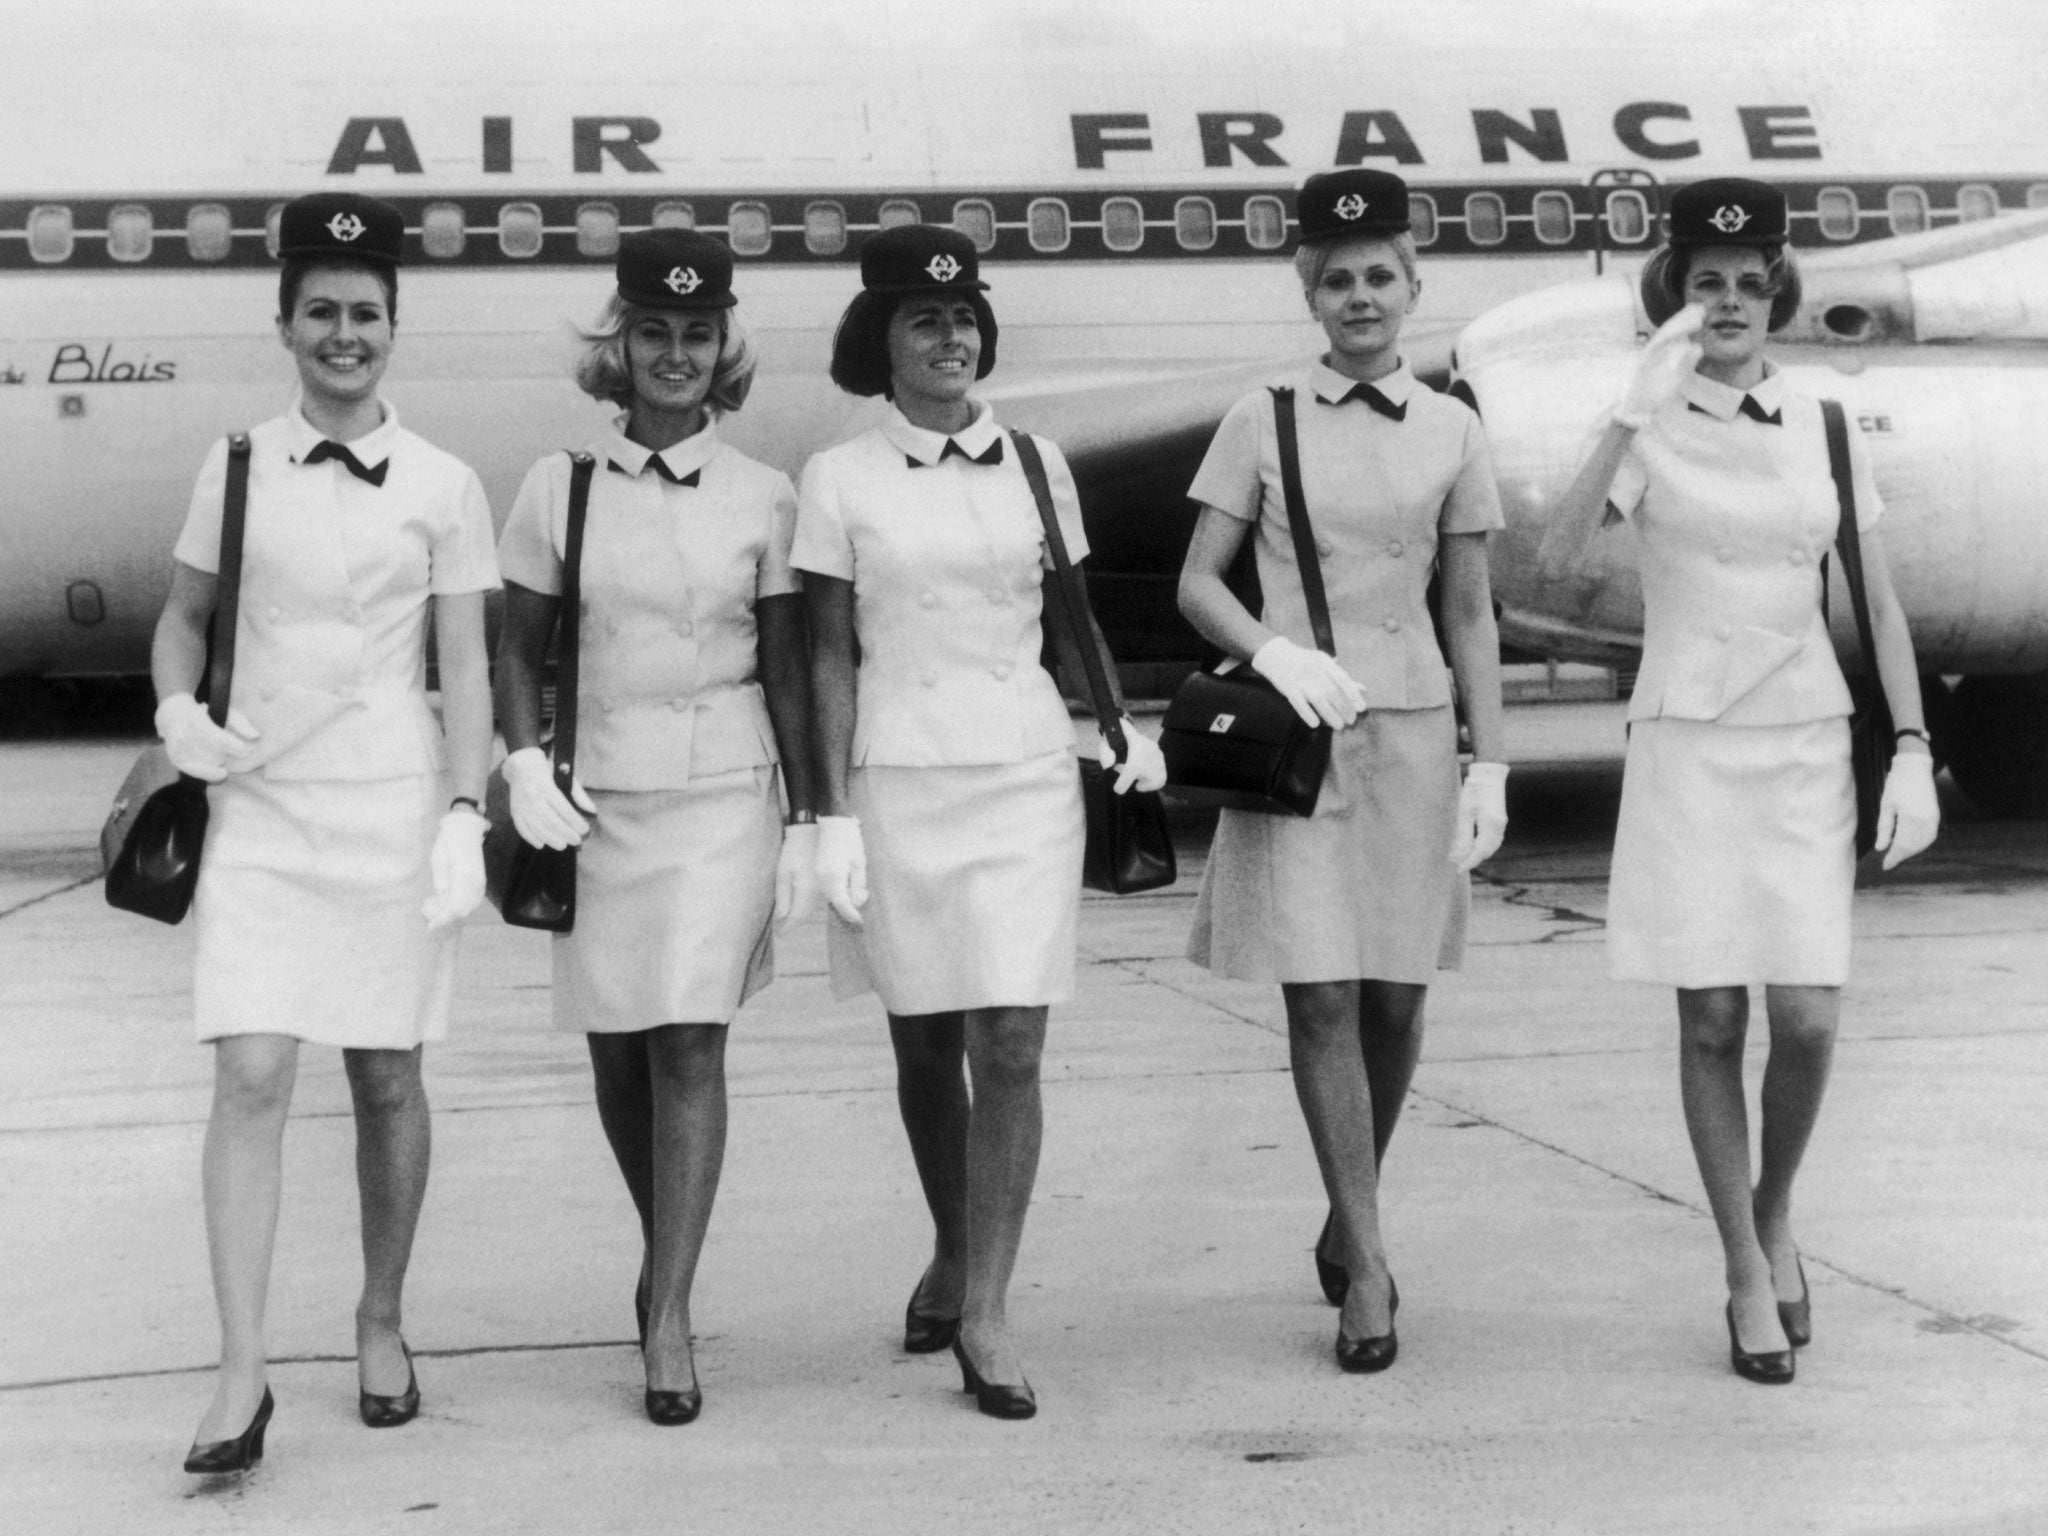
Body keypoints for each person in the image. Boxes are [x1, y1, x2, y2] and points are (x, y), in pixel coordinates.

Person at [1536, 177, 1940, 1384]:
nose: (1725, 302)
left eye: (1745, 285)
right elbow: (1553, 559)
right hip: (1688, 744)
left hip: (1803, 738)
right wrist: (1621, 412)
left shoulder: (1819, 423)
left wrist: (1914, 744)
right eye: (1701, 284)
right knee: (1711, 1016)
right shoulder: (1645, 426)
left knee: (1807, 1017)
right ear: (1671, 300)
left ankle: (1775, 1209)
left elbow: (1872, 591)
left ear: (1775, 299)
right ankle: (1740, 1265)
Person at [796, 224, 1166, 1420]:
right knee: (921, 1039)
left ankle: (990, 1304)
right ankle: (951, 1246)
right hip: (899, 774)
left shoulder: (1037, 463)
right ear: (881, 344)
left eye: (962, 318)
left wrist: (1117, 727)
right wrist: (829, 812)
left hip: (1018, 772)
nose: (949, 337)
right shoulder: (837, 478)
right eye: (922, 320)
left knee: (1008, 1040)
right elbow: (826, 657)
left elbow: (1068, 616)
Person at [153, 193, 498, 1471]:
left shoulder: (446, 484)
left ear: (392, 328)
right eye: (321, 313)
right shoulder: (234, 462)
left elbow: (466, 667)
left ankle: (381, 1316)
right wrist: (177, 708)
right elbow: (183, 614)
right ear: (285, 323)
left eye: (364, 314)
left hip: (390, 811)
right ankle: (240, 1374)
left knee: (387, 1076)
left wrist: (467, 812)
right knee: (249, 1073)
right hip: (264, 806)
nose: (342, 334)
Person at [1176, 169, 1510, 1374]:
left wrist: (1492, 761)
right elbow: (1196, 580)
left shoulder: (1453, 427)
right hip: (1301, 731)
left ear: (1411, 287)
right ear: (1307, 291)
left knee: (1396, 994)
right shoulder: (1259, 414)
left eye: (1379, 276)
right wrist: (1271, 649)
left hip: (1413, 728)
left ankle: (1343, 1199)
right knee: (1316, 992)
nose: (1359, 297)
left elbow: (1467, 606)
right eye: (1336, 279)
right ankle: (1365, 1266)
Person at [494, 228, 816, 1426]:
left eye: (696, 335)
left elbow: (787, 671)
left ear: (720, 347)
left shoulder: (764, 495)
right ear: (616, 346)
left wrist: (807, 818)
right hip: (596, 797)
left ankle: (668, 1311)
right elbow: (517, 647)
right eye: (652, 334)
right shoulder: (554, 485)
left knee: (688, 1041)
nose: (674, 356)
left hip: (725, 791)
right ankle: (659, 1249)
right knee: (616, 1048)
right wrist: (522, 758)